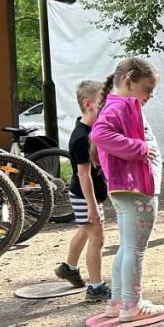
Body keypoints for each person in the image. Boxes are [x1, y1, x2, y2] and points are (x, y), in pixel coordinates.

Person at [90, 58, 164, 322]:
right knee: (135, 250)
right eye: (147, 88)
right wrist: (140, 148)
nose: (150, 95)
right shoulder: (121, 105)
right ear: (129, 79)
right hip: (136, 189)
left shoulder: (117, 105)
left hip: (125, 188)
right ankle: (132, 305)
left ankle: (118, 302)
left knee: (128, 247)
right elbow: (100, 135)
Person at [54, 80, 111, 301]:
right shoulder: (81, 138)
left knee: (85, 230)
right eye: (103, 104)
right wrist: (92, 206)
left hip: (89, 195)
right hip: (85, 196)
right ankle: (96, 287)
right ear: (88, 104)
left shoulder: (93, 129)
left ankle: (68, 268)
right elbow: (83, 175)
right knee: (97, 237)